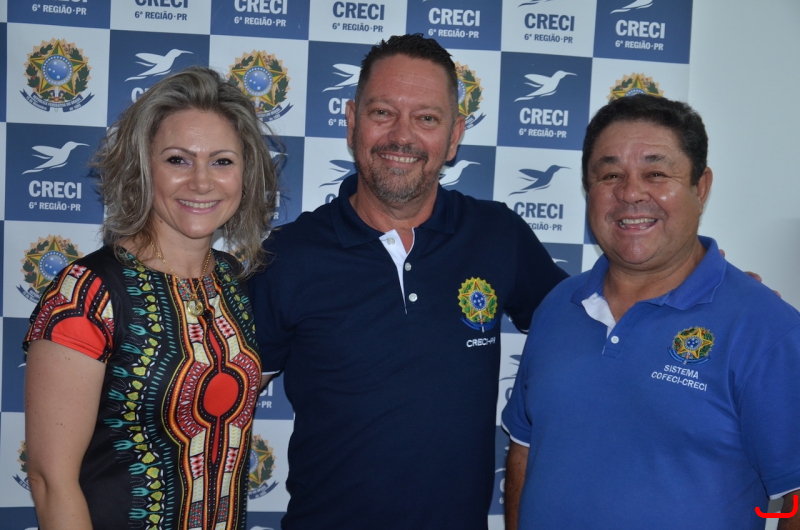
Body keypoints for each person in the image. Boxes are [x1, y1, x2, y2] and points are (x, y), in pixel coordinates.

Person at [249, 34, 567, 529]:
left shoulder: (498, 236)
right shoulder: (287, 256)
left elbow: (584, 327)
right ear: (352, 121)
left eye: (426, 118)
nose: (402, 136)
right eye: (382, 113)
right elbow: (217, 405)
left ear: (454, 136)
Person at [502, 94, 800, 530]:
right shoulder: (557, 306)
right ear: (588, 189)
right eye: (610, 175)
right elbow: (524, 450)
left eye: (656, 173)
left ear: (700, 187)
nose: (630, 193)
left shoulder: (767, 329)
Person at [24, 66, 278, 530]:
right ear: (143, 169)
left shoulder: (235, 283)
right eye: (178, 160)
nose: (201, 182)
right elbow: (49, 480)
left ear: (246, 174)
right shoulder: (86, 293)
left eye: (222, 161)